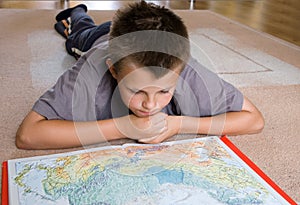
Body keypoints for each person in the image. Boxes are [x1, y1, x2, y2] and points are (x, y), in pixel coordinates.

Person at [16, 1, 264, 150]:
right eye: (137, 91)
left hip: (125, 40)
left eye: (165, 91)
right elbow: (28, 135)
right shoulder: (93, 70)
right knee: (77, 36)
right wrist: (124, 127)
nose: (151, 105)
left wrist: (178, 124)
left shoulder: (186, 70)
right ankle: (77, 13)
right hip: (97, 40)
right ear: (113, 70)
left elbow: (253, 119)